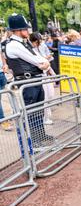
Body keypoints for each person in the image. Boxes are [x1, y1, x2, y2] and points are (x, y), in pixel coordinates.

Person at [5, 14, 53, 146]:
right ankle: (33, 140)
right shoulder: (14, 45)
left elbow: (41, 58)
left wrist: (44, 63)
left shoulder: (24, 43)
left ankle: (40, 135)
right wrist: (43, 63)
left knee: (38, 110)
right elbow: (36, 60)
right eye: (25, 29)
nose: (28, 31)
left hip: (34, 81)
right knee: (31, 112)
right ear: (18, 30)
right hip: (27, 82)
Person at [29, 32, 56, 126]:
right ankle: (45, 117)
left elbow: (48, 60)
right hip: (40, 75)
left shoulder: (42, 46)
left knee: (51, 95)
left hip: (46, 74)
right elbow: (39, 63)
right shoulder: (30, 49)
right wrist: (44, 61)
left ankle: (46, 116)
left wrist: (48, 66)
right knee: (45, 97)